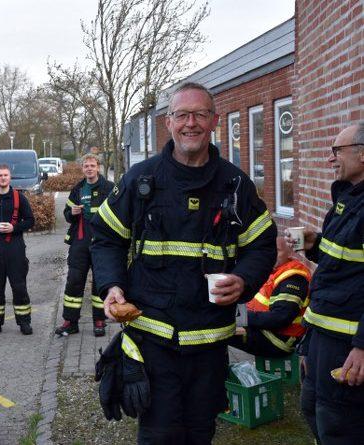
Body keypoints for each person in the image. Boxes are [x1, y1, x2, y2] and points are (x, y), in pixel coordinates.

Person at [91, 82, 277, 444]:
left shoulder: (236, 185)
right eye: (181, 115)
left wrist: (243, 279)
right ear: (169, 122)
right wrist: (112, 287)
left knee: (199, 434)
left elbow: (262, 245)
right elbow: (107, 237)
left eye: (200, 114)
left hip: (209, 348)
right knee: (159, 435)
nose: (190, 123)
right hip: (153, 344)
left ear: (214, 121)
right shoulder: (141, 180)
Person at [297, 123, 364, 444]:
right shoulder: (348, 199)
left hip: (348, 343)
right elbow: (343, 262)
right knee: (312, 408)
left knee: (339, 425)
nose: (331, 159)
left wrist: (362, 346)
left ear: (362, 154)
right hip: (323, 336)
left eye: (337, 150)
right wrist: (315, 244)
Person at [55, 153, 114, 337]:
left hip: (102, 241)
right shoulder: (78, 189)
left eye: (92, 165)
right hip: (80, 240)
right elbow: (66, 214)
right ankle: (70, 321)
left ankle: (99, 321)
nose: (89, 169)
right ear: (82, 168)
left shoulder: (109, 188)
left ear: (98, 167)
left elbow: (119, 212)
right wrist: (71, 213)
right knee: (74, 280)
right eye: (86, 166)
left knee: (100, 282)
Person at [0, 164, 35, 336]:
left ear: (10, 177)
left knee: (19, 287)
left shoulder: (20, 198)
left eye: (6, 175)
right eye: (0, 175)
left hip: (15, 249)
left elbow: (30, 221)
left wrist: (14, 228)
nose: (3, 178)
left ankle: (24, 322)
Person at [230, 236, 310, 357]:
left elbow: (280, 318)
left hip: (278, 340)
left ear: (289, 253)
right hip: (264, 330)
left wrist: (242, 318)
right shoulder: (275, 270)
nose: (272, 255)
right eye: (269, 250)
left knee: (218, 331)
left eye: (277, 251)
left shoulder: (293, 278)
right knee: (215, 322)